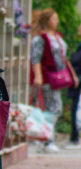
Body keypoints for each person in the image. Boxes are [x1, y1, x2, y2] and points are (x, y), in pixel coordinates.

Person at [30, 8, 79, 153]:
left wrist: (72, 75)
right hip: (47, 78)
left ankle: (46, 137)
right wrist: (38, 76)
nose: (57, 21)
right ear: (47, 21)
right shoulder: (41, 38)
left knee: (55, 108)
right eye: (54, 19)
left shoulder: (56, 36)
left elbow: (63, 58)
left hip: (57, 77)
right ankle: (46, 139)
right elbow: (36, 58)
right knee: (55, 109)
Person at [64, 24, 81, 149]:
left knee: (77, 109)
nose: (78, 28)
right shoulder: (79, 45)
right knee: (75, 108)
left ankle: (75, 137)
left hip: (79, 81)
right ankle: (74, 136)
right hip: (76, 83)